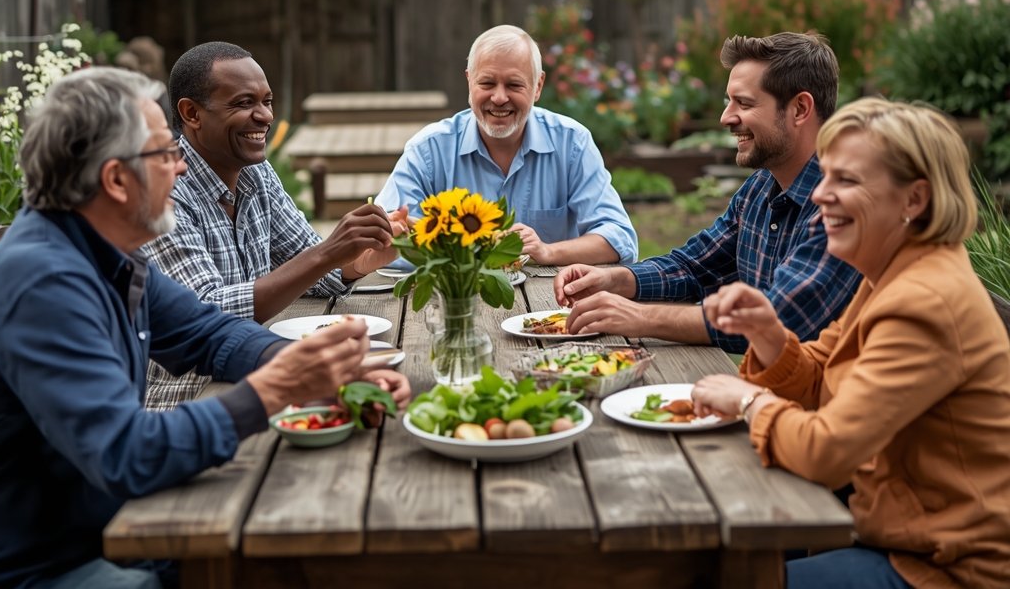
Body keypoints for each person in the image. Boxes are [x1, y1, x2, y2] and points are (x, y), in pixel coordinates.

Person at [0, 68, 410, 589]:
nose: (182, 167)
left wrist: (333, 373)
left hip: (117, 526)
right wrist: (275, 389)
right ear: (117, 180)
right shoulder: (42, 283)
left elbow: (210, 334)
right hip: (57, 565)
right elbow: (127, 454)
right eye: (164, 154)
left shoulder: (106, 253)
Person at [691, 98, 1010, 588]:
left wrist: (751, 400)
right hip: (889, 533)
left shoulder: (923, 300)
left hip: (944, 567)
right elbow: (824, 374)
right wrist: (770, 336)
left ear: (914, 200)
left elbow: (827, 450)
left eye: (847, 180)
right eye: (826, 175)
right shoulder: (893, 269)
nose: (820, 195)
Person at [554, 32, 861, 352]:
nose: (726, 117)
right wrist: (617, 280)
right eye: (729, 101)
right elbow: (695, 267)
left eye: (744, 103)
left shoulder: (840, 205)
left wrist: (640, 317)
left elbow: (776, 321)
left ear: (799, 109)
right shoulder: (761, 187)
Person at [143, 41, 407, 410]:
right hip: (185, 402)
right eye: (244, 103)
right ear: (191, 113)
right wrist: (328, 252)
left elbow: (316, 270)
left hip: (258, 378)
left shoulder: (257, 173)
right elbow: (205, 317)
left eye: (267, 101)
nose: (265, 116)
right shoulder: (164, 189)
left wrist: (359, 259)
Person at [374, 24, 638, 266]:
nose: (499, 98)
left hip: (549, 306)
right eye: (487, 83)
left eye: (514, 85)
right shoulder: (428, 150)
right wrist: (470, 246)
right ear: (469, 81)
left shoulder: (572, 143)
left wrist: (547, 251)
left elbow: (619, 237)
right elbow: (385, 239)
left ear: (537, 86)